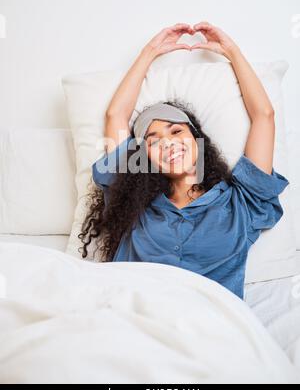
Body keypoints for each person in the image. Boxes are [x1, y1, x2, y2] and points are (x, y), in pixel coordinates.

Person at [78, 22, 289, 300]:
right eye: (153, 141)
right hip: (134, 319)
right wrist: (150, 51)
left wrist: (231, 51)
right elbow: (115, 116)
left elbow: (264, 115)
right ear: (144, 158)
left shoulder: (240, 201)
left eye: (176, 131)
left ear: (197, 139)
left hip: (210, 323)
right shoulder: (132, 204)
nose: (168, 143)